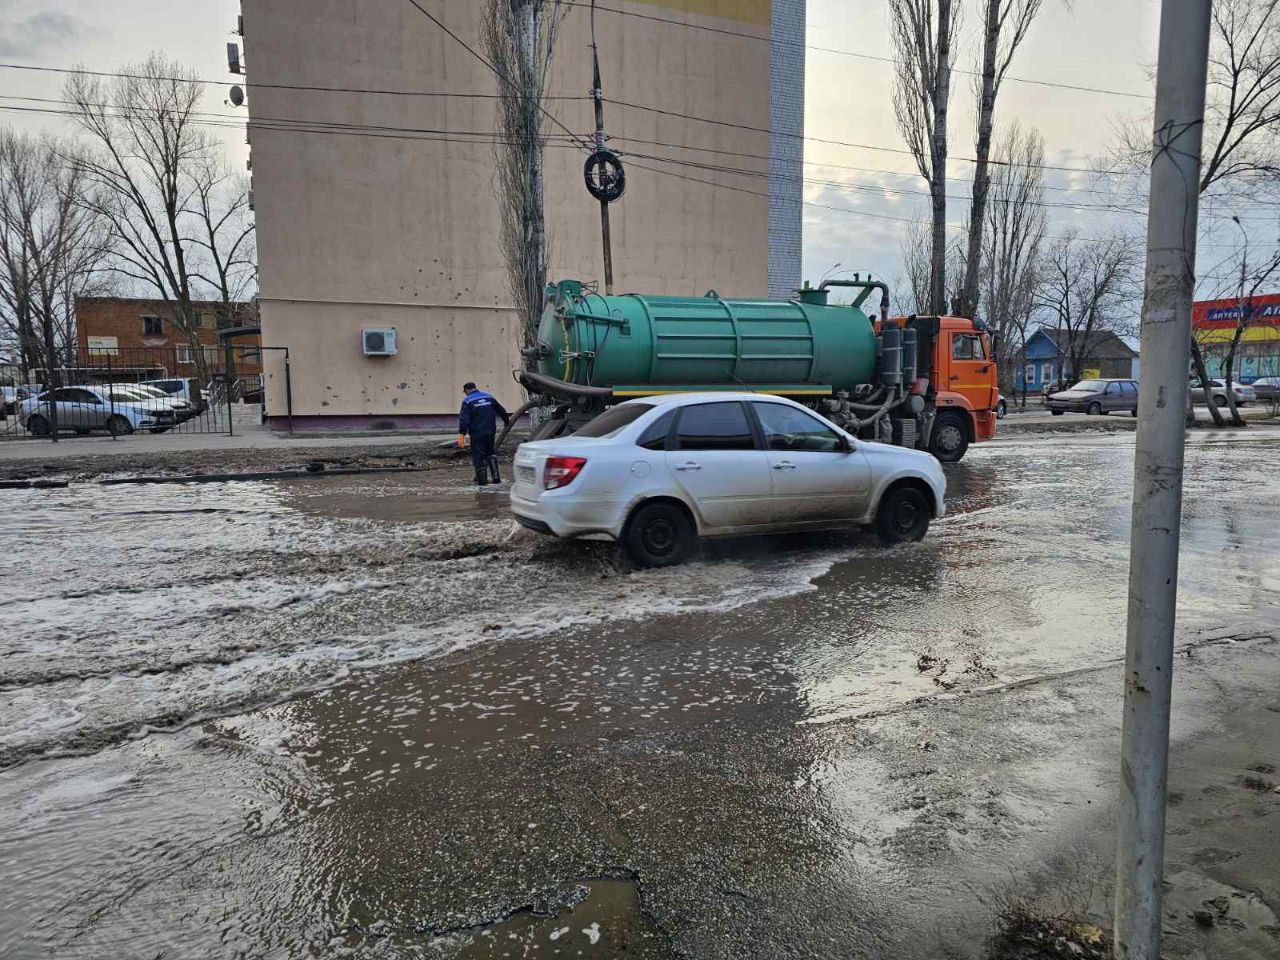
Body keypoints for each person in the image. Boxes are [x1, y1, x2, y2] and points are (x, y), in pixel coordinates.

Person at [458, 381, 510, 486]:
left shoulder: (467, 401)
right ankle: (496, 480)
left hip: (477, 433)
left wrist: (461, 435)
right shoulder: (489, 397)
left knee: (479, 458)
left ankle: (482, 486)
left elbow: (464, 420)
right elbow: (502, 411)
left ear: (467, 390)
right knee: (491, 453)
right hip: (490, 432)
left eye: (465, 392)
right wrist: (507, 422)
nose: (465, 394)